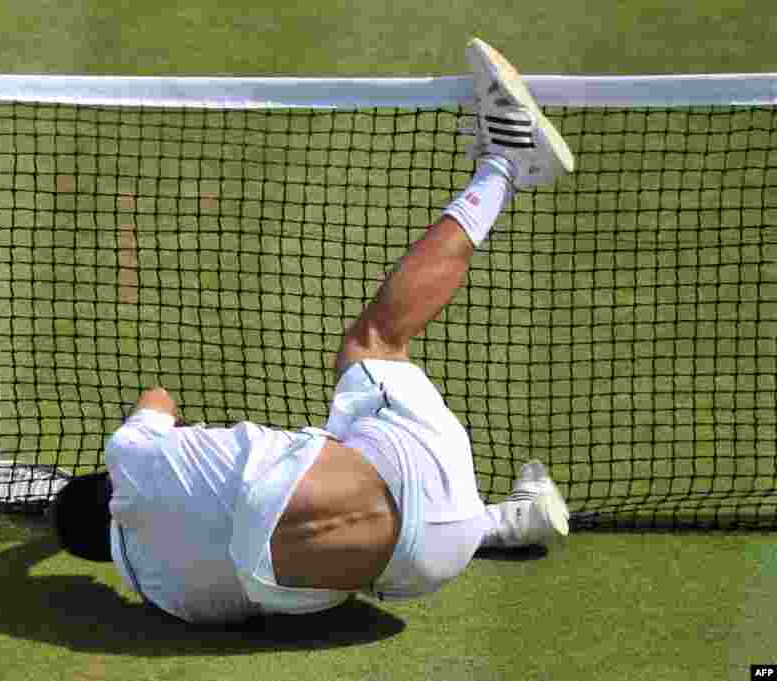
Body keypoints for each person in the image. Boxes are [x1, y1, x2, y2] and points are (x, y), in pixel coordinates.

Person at [51, 38, 575, 624]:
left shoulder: (171, 598)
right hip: (420, 471)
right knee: (371, 342)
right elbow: (157, 400)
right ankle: (508, 163)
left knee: (327, 504)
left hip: (428, 567)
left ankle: (506, 522)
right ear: (108, 485)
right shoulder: (133, 456)